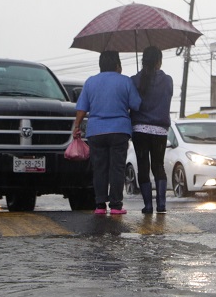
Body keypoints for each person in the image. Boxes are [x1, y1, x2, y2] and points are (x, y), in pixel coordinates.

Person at [73, 50, 142, 215]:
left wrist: (76, 126)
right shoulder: (125, 81)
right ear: (118, 65)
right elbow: (136, 104)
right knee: (117, 168)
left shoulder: (90, 82)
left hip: (96, 131)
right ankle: (116, 205)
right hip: (119, 130)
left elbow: (82, 108)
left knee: (100, 168)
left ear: (100, 65)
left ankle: (100, 205)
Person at [130, 46, 173, 214]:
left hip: (139, 129)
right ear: (158, 61)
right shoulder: (168, 80)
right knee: (158, 166)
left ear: (143, 61)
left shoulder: (134, 80)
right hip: (160, 130)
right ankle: (161, 205)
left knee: (143, 166)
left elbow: (132, 103)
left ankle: (148, 206)